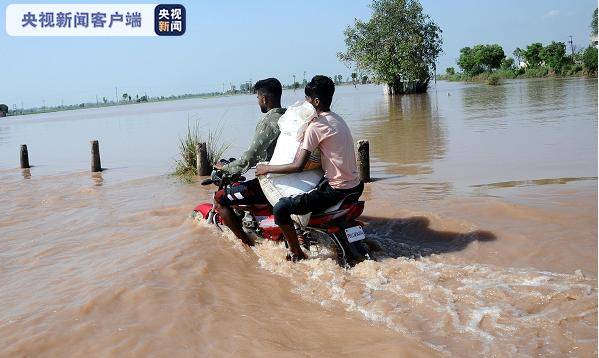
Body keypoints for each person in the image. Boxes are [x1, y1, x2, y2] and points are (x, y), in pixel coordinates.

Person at [255, 75, 364, 261]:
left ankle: (296, 253)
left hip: (336, 190)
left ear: (316, 101)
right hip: (355, 186)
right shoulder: (338, 119)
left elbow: (297, 166)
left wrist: (268, 168)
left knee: (281, 208)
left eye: (308, 99)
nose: (306, 103)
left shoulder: (315, 127)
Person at [214, 78, 286, 246]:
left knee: (219, 199)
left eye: (257, 98)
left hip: (271, 181)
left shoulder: (269, 121)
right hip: (287, 176)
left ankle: (247, 244)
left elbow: (250, 157)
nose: (257, 101)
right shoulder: (288, 117)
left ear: (264, 99)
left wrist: (227, 168)